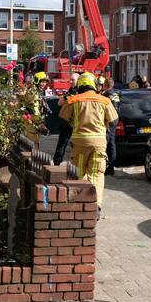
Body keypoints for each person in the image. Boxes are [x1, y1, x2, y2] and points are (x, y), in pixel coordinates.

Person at [59, 72, 118, 215]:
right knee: (97, 174)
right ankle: (96, 206)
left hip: (79, 143)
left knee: (80, 172)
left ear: (80, 85)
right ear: (93, 85)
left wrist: (74, 124)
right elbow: (114, 120)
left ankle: (79, 203)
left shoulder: (73, 100)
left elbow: (62, 119)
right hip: (98, 143)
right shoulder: (104, 100)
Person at [53, 72, 80, 166]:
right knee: (62, 142)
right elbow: (59, 103)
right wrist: (65, 97)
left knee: (76, 144)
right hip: (67, 121)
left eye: (73, 80)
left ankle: (75, 164)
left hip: (76, 122)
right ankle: (57, 161)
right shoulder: (70, 90)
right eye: (70, 80)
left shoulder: (80, 91)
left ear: (78, 80)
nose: (71, 81)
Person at [100, 76, 121, 176]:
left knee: (106, 142)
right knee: (111, 142)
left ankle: (107, 166)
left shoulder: (106, 94)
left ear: (105, 85)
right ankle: (111, 166)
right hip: (115, 119)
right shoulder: (116, 94)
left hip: (108, 120)